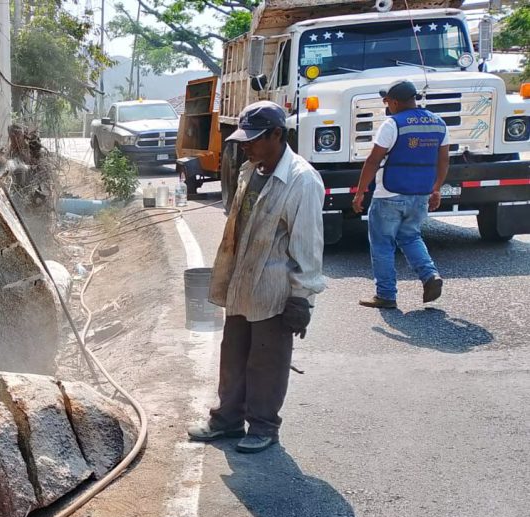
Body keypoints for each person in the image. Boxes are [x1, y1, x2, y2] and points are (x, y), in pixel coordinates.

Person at [187, 101, 326, 453]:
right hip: (241, 284)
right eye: (244, 139)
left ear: (278, 135)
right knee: (233, 355)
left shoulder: (301, 180)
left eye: (254, 139)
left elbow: (308, 246)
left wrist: (301, 297)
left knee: (267, 362)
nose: (245, 146)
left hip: (273, 290)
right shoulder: (250, 170)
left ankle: (264, 426)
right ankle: (227, 421)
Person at [352, 79, 446, 309]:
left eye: (387, 101)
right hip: (420, 193)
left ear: (394, 101)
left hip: (389, 195)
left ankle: (386, 295)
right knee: (411, 236)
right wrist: (436, 189)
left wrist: (360, 191)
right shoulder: (438, 123)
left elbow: (374, 159)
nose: (387, 106)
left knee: (382, 243)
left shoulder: (392, 124)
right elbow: (443, 160)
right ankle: (429, 275)